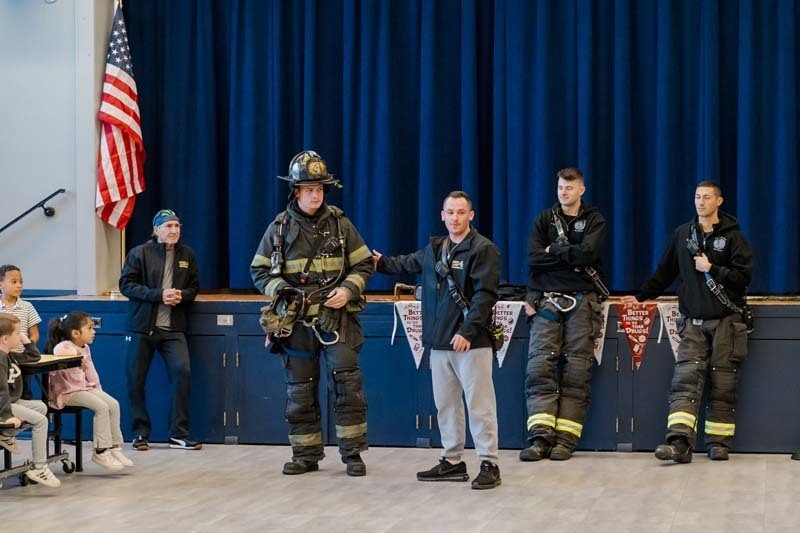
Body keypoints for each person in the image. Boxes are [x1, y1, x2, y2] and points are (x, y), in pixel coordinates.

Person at [251, 150, 374, 476]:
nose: (315, 194)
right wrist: (281, 291)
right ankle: (305, 456)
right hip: (297, 324)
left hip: (338, 320)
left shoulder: (340, 223)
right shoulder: (278, 229)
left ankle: (353, 456)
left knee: (348, 386)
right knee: (300, 390)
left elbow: (364, 264)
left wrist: (348, 289)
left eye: (319, 189)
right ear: (296, 191)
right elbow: (259, 272)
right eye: (308, 189)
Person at [373, 191, 502, 490]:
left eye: (461, 212)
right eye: (450, 212)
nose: (455, 218)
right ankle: (453, 461)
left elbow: (485, 297)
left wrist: (467, 332)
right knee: (446, 406)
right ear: (441, 215)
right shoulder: (435, 249)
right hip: (439, 343)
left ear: (471, 215)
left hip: (472, 342)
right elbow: (405, 263)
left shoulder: (484, 250)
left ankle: (489, 463)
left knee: (480, 405)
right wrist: (380, 263)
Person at [621, 181, 753, 463]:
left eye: (706, 197)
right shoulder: (683, 234)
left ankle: (719, 443)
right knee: (684, 382)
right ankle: (679, 443)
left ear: (719, 201)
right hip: (692, 322)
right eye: (697, 197)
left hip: (726, 323)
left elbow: (744, 278)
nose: (700, 202)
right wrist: (641, 296)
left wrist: (712, 268)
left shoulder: (734, 238)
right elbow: (664, 272)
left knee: (723, 382)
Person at [520, 168, 607, 462]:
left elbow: (589, 255)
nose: (563, 192)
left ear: (581, 190)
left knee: (576, 370)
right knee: (539, 368)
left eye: (569, 188)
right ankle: (540, 438)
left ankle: (566, 440)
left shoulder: (594, 220)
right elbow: (534, 258)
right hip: (545, 301)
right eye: (560, 187)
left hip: (582, 301)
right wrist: (570, 254)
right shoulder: (544, 220)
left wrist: (554, 250)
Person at [120, 209, 201, 451]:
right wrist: (158, 295)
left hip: (173, 329)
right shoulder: (139, 253)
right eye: (168, 226)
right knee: (135, 381)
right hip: (142, 328)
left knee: (182, 373)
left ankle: (179, 434)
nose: (174, 230)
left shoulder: (188, 254)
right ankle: (140, 433)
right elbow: (126, 285)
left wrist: (181, 296)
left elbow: (194, 288)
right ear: (156, 231)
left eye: (177, 226)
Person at [45, 311, 134, 470]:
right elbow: (61, 353)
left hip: (82, 389)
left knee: (113, 404)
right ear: (75, 333)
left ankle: (114, 446)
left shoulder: (84, 347)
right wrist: (78, 354)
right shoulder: (63, 346)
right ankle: (100, 451)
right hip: (66, 393)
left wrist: (98, 389)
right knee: (101, 407)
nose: (94, 332)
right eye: (90, 328)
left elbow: (90, 370)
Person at [0, 313, 61, 487]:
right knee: (41, 421)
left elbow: (34, 356)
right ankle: (39, 467)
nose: (20, 336)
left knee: (40, 407)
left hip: (11, 402)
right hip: (4, 405)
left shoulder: (10, 355)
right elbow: (1, 391)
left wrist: (27, 341)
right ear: (5, 338)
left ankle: (6, 435)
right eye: (17, 333)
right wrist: (6, 416)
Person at [0, 264, 43, 400]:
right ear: (1, 284)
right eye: (14, 282)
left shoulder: (27, 306)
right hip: (2, 360)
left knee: (24, 393)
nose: (19, 285)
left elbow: (34, 334)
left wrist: (27, 347)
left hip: (21, 359)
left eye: (21, 282)